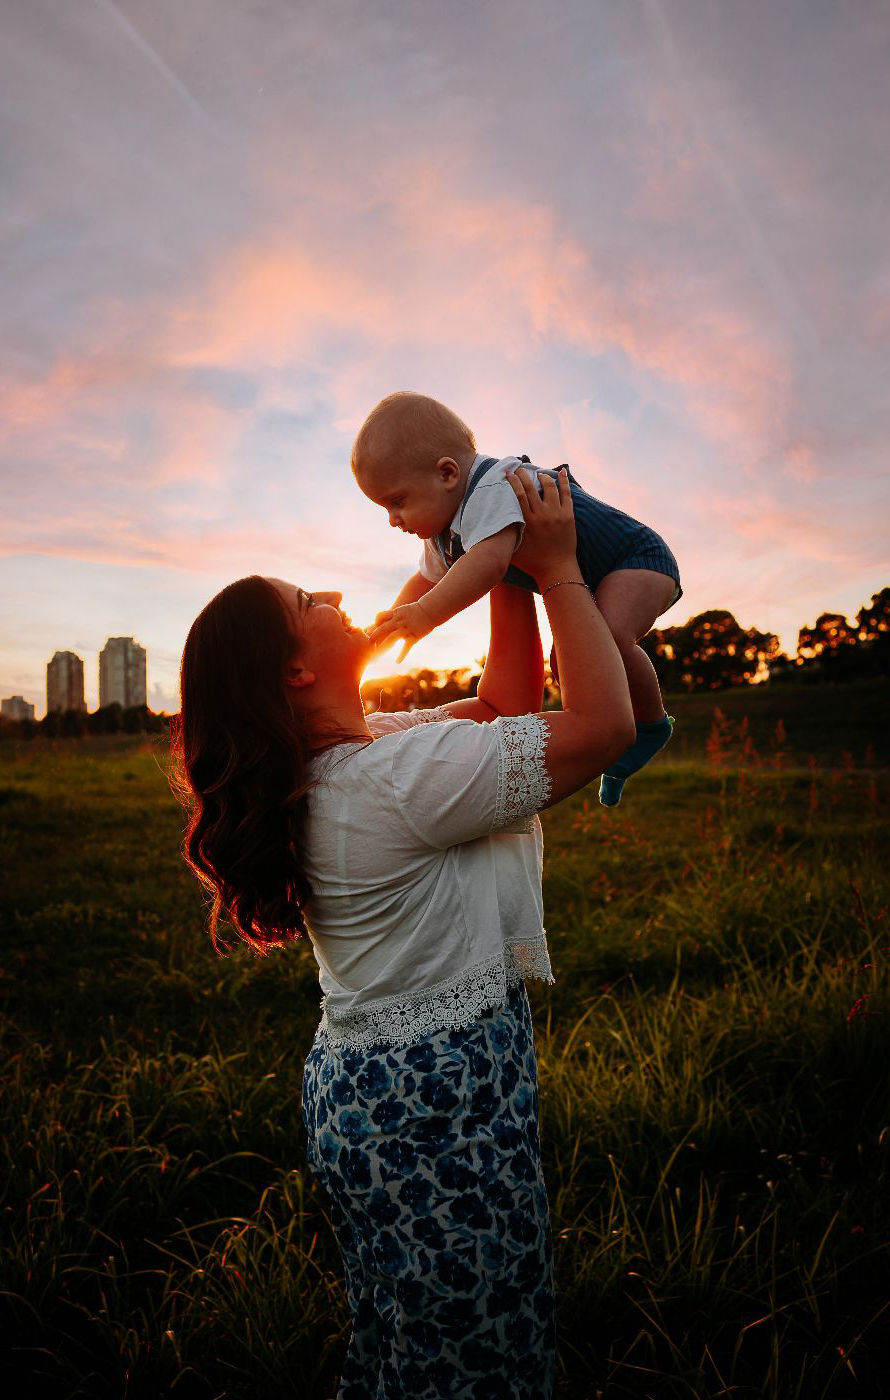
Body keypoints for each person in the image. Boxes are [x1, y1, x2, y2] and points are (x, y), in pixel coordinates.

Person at [173, 467, 635, 1400]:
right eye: (309, 600)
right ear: (295, 671)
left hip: (373, 1093)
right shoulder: (391, 781)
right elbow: (601, 726)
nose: (337, 594)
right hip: (436, 1103)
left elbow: (503, 708)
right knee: (475, 1365)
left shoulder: (361, 755)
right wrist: (555, 570)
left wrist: (497, 567)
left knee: (407, 1346)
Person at [352, 390, 681, 806]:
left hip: (635, 559)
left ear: (447, 474)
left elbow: (487, 565)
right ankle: (618, 755)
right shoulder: (444, 531)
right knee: (570, 663)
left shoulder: (493, 487)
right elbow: (427, 578)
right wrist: (397, 620)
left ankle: (650, 726)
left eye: (397, 502)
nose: (393, 520)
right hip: (594, 576)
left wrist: (425, 615)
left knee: (609, 639)